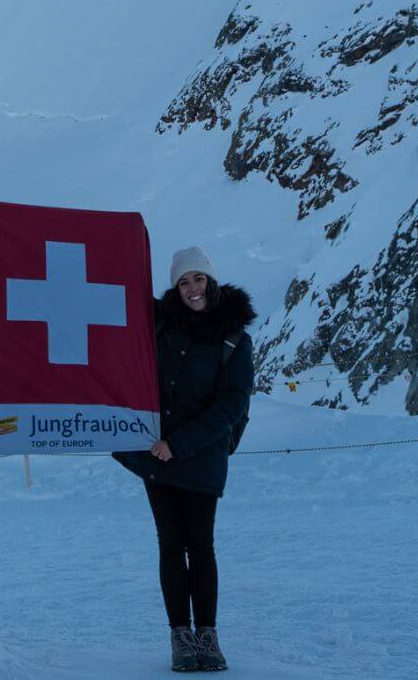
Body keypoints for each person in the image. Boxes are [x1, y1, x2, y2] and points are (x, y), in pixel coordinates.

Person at [137, 246, 255, 673]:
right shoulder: (160, 325)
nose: (192, 289)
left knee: (200, 547)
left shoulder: (234, 339)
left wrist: (179, 444)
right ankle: (180, 638)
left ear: (212, 280)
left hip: (200, 458)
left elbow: (232, 405)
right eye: (184, 281)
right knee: (171, 546)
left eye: (198, 279)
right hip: (157, 456)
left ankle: (208, 636)